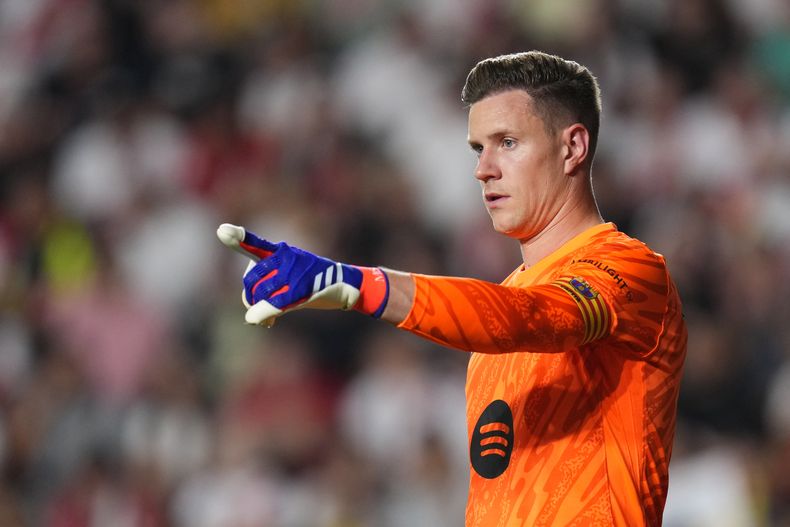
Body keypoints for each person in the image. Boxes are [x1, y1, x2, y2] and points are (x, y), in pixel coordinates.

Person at [217, 50, 687, 527]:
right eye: (477, 149)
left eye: (507, 142)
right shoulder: (487, 345)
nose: (484, 169)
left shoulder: (629, 269)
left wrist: (360, 284)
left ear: (572, 147)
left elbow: (534, 317)